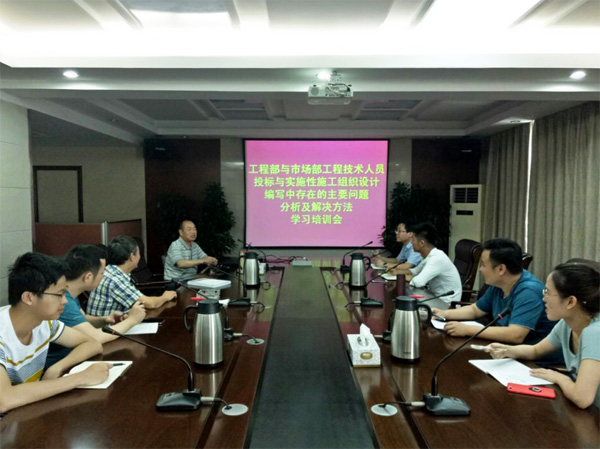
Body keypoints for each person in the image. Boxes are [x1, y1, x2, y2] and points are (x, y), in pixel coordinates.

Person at [0, 252, 110, 413]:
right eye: (59, 294)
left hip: (26, 412)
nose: (64, 300)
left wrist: (56, 368)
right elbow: (4, 399)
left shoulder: (44, 323)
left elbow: (92, 343)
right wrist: (81, 378)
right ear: (29, 297)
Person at [486, 261, 600, 409]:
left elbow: (582, 398)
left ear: (570, 301)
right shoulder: (566, 325)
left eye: (547, 292)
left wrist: (558, 377)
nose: (543, 298)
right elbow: (536, 350)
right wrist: (506, 350)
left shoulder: (594, 332)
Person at [433, 238, 556, 345]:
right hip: (504, 347)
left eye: (483, 265)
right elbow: (475, 310)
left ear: (501, 269)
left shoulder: (529, 291)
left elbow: (515, 335)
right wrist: (444, 314)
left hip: (533, 359)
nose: (480, 269)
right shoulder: (499, 283)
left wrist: (467, 329)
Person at [46, 244, 147, 368]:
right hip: (62, 366)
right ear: (88, 277)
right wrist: (132, 320)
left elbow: (82, 321)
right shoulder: (63, 302)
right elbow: (95, 337)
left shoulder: (70, 293)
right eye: (102, 273)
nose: (103, 277)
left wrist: (105, 320)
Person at [87, 236, 177, 316]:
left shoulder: (110, 270)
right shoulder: (115, 279)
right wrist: (165, 297)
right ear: (132, 257)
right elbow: (150, 304)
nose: (140, 257)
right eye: (139, 253)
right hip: (108, 328)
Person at [395, 222, 462, 303]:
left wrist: (407, 277)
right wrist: (396, 272)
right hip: (433, 297)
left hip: (446, 303)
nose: (411, 242)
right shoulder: (429, 255)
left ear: (421, 243)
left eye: (413, 239)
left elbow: (418, 282)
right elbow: (415, 271)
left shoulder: (436, 258)